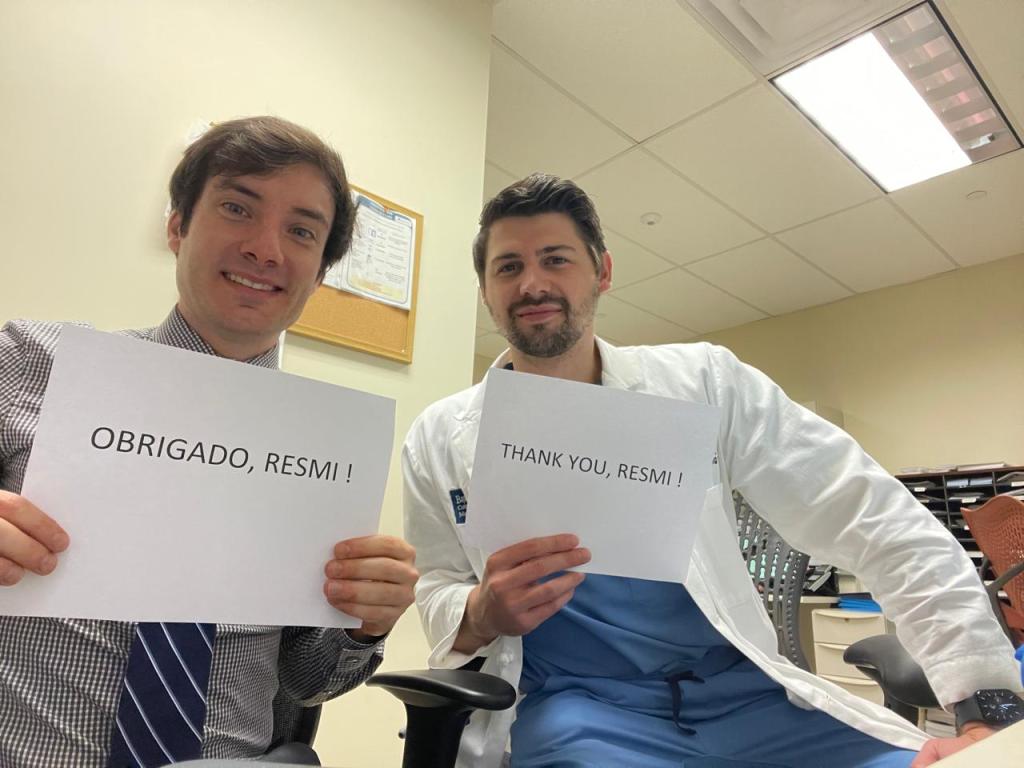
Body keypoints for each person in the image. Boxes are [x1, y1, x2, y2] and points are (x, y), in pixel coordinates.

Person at [402, 173, 1023, 767]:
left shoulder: (704, 382)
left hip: (749, 699)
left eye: (557, 259)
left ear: (603, 272)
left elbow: (869, 512)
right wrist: (480, 611)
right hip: (585, 714)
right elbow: (435, 587)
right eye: (508, 267)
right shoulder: (437, 438)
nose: (532, 283)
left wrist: (984, 710)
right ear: (485, 289)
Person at [0, 116, 418, 766]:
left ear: (320, 272)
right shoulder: (32, 360)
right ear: (177, 226)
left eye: (302, 231)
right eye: (236, 207)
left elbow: (312, 681)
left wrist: (367, 623)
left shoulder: (327, 447)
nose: (266, 248)